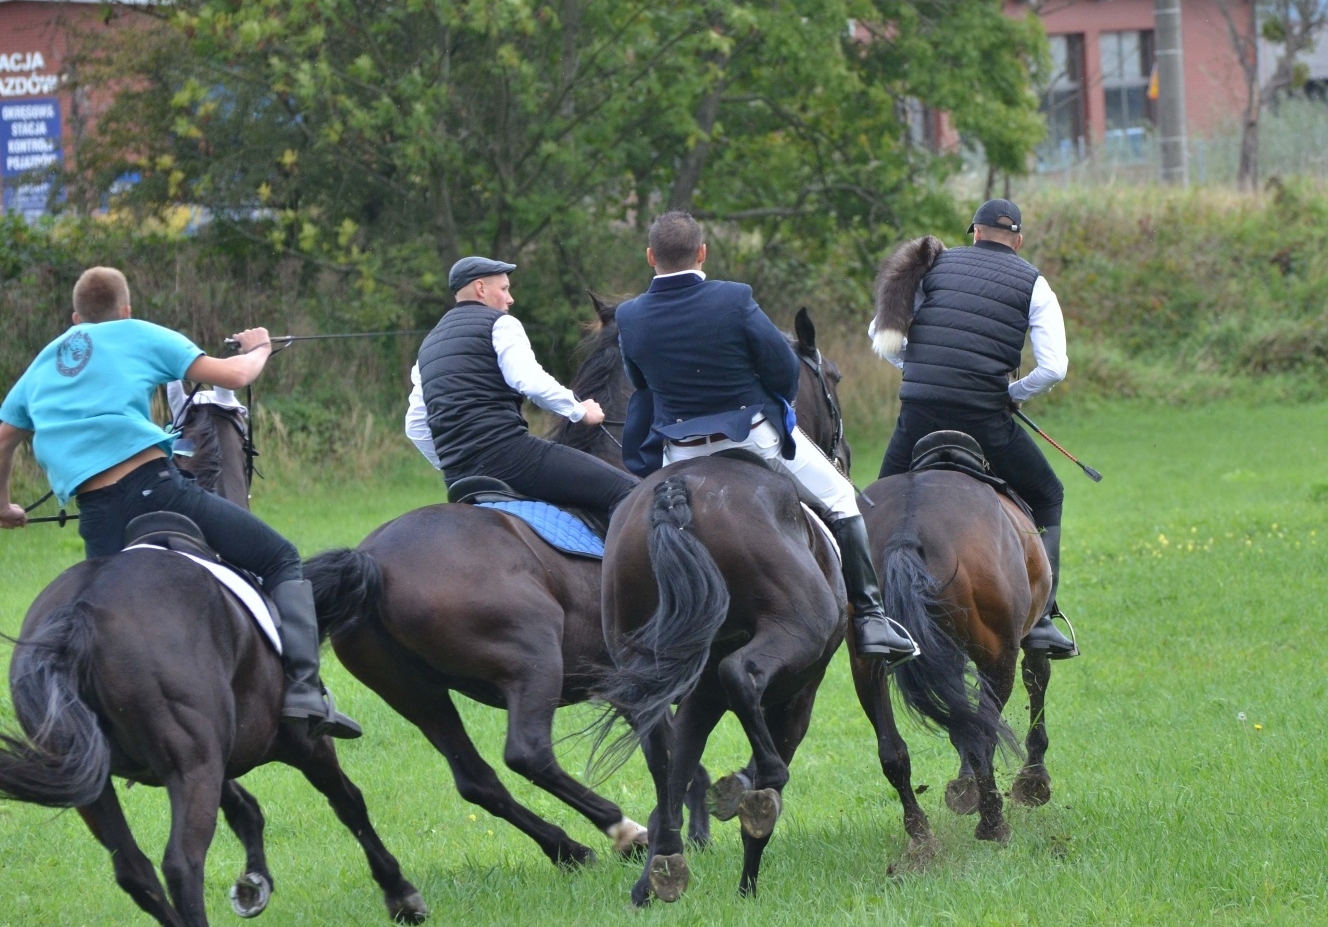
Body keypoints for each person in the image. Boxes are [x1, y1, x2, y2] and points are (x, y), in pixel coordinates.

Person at [0, 266, 363, 737]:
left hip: (98, 517)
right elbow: (233, 373)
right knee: (280, 558)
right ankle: (302, 691)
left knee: (105, 618)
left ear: (75, 318)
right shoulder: (139, 333)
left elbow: (5, 436)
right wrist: (261, 348)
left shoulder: (45, 360)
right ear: (126, 310)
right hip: (159, 493)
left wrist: (5, 506)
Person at [614, 211, 918, 665]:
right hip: (752, 439)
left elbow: (637, 379)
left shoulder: (629, 315)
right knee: (840, 498)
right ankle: (872, 619)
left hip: (677, 452)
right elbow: (782, 366)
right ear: (702, 253)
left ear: (649, 257)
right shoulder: (735, 300)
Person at [870, 199, 1078, 658]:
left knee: (878, 498)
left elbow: (882, 340)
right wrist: (1014, 393)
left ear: (975, 233)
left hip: (919, 413)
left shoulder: (935, 267)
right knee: (1048, 493)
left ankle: (868, 611)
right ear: (1018, 241)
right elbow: (1055, 368)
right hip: (984, 417)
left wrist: (919, 368)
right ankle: (1044, 618)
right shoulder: (1034, 283)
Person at [405, 256, 637, 528]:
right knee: (632, 493)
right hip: (511, 459)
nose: (510, 298)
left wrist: (451, 462)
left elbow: (416, 426)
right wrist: (579, 410)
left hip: (458, 476)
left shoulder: (428, 345)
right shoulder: (500, 324)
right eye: (504, 289)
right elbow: (530, 381)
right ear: (481, 288)